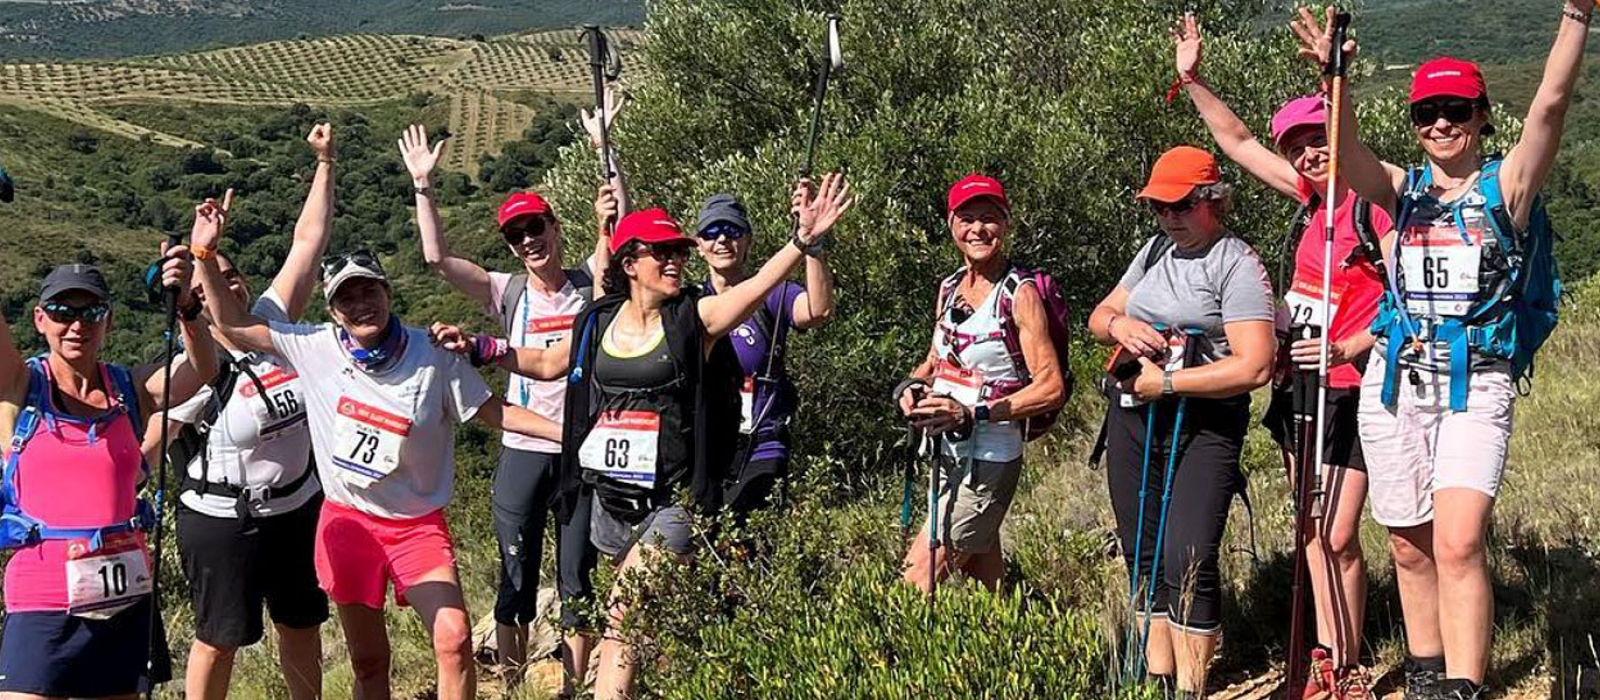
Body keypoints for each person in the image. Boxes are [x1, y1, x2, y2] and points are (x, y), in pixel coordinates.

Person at [432, 173, 852, 700]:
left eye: (679, 250)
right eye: (663, 253)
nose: (676, 260)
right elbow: (546, 362)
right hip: (615, 500)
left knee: (624, 607)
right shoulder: (597, 320)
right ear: (631, 264)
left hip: (675, 499)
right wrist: (476, 346)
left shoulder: (693, 318)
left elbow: (752, 291)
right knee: (632, 628)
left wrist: (801, 242)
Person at [1296, 1, 1590, 696]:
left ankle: (1464, 683)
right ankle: (1426, 669)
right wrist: (1336, 79)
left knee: (1458, 539)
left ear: (1484, 114)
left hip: (1475, 381)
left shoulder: (1506, 189)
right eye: (1425, 113)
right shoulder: (1403, 192)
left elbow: (1549, 107)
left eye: (1456, 109)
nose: (1439, 124)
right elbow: (1348, 156)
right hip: (1396, 383)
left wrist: (1577, 16)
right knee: (1406, 540)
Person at [188, 196, 564, 700]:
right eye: (348, 298)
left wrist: (569, 436)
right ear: (332, 309)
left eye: (370, 291)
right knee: (369, 662)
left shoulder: (433, 354)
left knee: (453, 639)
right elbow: (233, 325)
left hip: (416, 527)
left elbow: (495, 412)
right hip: (349, 523)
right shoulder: (314, 346)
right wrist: (204, 257)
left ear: (388, 291)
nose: (362, 305)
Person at [1173, 15, 1393, 697]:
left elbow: (1407, 296)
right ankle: (1326, 653)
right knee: (1309, 528)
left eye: (1315, 139)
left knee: (1338, 531)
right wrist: (1192, 80)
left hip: (1354, 386)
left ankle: (1347, 666)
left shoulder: (1375, 206)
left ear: (1336, 133)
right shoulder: (1307, 202)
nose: (1306, 155)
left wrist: (1354, 342)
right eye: (1295, 146)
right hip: (1303, 388)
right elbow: (1236, 142)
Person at [399, 105, 618, 691]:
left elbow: (615, 222)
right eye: (516, 235)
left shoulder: (589, 283)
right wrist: (424, 186)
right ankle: (517, 684)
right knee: (516, 574)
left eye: (535, 228)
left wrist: (605, 149)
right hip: (523, 443)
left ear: (555, 228)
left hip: (582, 448)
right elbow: (436, 260)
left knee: (578, 576)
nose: (528, 241)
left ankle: (572, 687)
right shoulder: (509, 291)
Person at [140, 125, 336, 700]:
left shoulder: (272, 324)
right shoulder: (196, 369)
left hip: (298, 508)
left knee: (302, 623)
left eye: (232, 274)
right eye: (212, 280)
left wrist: (325, 162)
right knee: (219, 638)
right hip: (224, 522)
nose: (229, 283)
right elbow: (154, 432)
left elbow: (308, 242)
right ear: (195, 298)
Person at [1087, 146, 1276, 699]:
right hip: (1133, 418)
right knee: (1142, 550)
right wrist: (1122, 326)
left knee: (1188, 551)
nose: (1170, 217)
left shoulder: (1236, 264)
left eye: (1181, 205)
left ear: (1212, 199)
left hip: (1204, 422)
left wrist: (1167, 383)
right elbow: (1100, 315)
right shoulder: (1152, 252)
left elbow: (1255, 364)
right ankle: (1158, 679)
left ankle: (1194, 687)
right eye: (1159, 207)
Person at [0, 251, 218, 699]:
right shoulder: (19, 388)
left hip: (123, 596)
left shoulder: (129, 388)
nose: (76, 324)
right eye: (62, 312)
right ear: (39, 319)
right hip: (41, 599)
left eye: (90, 312)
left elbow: (202, 370)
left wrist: (187, 309)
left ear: (108, 321)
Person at [891, 174, 1066, 593]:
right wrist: (911, 386)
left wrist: (973, 413)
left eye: (989, 218)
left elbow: (1050, 386)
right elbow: (937, 359)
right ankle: (1015, 647)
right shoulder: (950, 287)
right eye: (967, 218)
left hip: (990, 458)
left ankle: (895, 656)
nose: (978, 230)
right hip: (948, 453)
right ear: (951, 224)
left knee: (916, 577)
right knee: (987, 585)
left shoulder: (1019, 294)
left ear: (1005, 224)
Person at [694, 189, 836, 514]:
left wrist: (813, 245)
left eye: (732, 231)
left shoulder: (776, 294)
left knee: (753, 537)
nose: (722, 240)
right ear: (698, 245)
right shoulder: (690, 302)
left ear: (748, 240)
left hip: (763, 440)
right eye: (711, 233)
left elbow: (817, 312)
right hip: (709, 444)